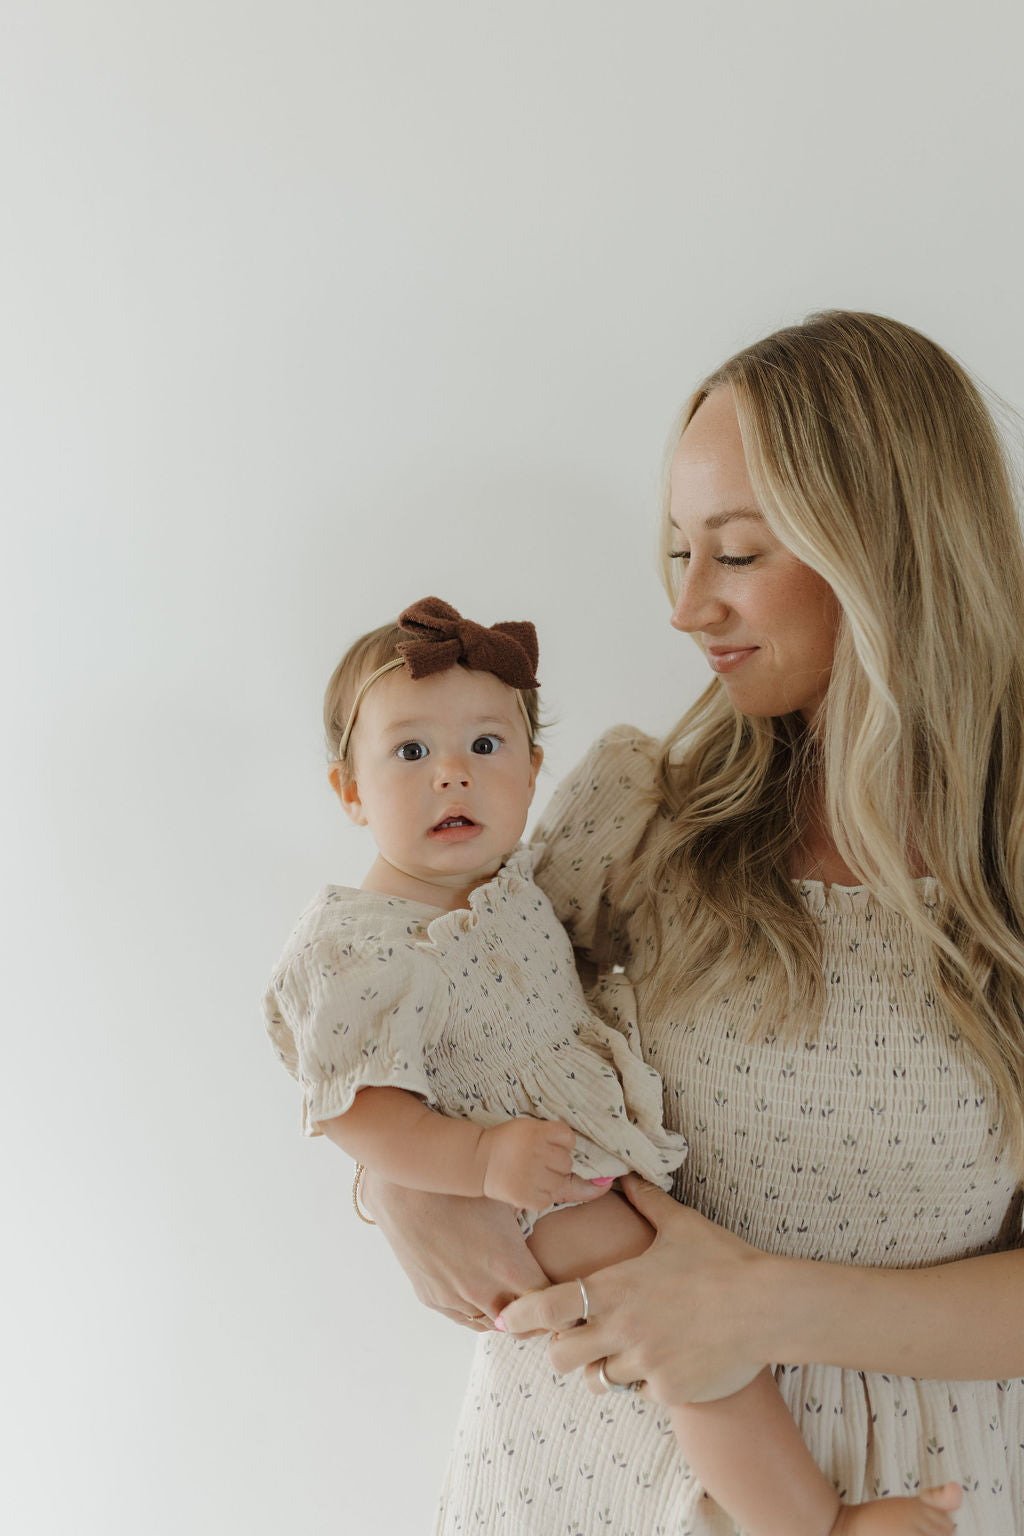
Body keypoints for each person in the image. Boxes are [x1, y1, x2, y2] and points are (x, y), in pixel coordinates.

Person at [359, 313, 1024, 1536]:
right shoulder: (642, 810)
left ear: (886, 550)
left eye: (736, 552)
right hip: (585, 1475)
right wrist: (398, 1183)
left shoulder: (1009, 870)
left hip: (912, 1490)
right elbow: (429, 1013)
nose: (686, 606)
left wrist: (760, 1305)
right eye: (678, 551)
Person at [266, 592, 964, 1535]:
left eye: (485, 746)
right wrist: (475, 1163)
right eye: (410, 752)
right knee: (689, 1337)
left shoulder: (516, 889)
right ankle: (811, 1522)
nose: (452, 776)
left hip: (576, 1160)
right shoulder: (358, 945)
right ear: (350, 790)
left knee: (685, 1326)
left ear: (532, 772)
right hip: (539, 1191)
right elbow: (351, 1107)